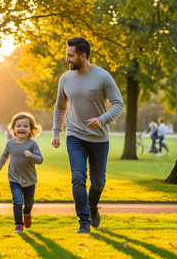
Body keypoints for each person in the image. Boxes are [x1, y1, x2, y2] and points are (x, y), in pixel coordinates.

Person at [51, 37, 124, 233]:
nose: (67, 59)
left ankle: (92, 206)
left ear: (83, 56)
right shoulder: (65, 78)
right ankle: (84, 222)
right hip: (74, 135)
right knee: (78, 178)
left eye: (70, 55)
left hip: (99, 138)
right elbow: (60, 107)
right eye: (67, 54)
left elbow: (118, 104)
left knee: (98, 181)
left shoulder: (103, 77)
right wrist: (56, 131)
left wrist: (103, 119)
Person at [0, 112, 44, 233]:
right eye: (19, 126)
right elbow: (5, 155)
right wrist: (0, 164)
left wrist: (31, 155)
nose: (22, 128)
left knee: (28, 203)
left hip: (29, 180)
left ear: (30, 129)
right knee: (17, 201)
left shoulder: (32, 144)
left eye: (25, 126)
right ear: (13, 129)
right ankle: (18, 225)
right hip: (14, 178)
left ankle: (27, 213)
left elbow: (40, 160)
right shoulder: (10, 144)